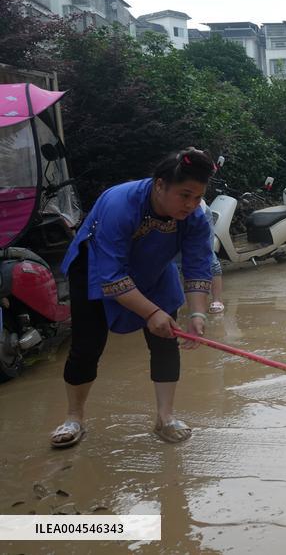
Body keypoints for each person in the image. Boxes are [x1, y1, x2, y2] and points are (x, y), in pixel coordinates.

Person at [49, 148, 216, 449]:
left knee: (166, 340)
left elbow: (197, 266)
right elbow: (111, 276)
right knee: (87, 346)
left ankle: (165, 417)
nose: (191, 205)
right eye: (185, 195)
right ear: (160, 185)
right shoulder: (120, 203)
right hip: (96, 268)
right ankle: (74, 417)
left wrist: (197, 315)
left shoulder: (194, 217)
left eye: (198, 197)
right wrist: (152, 313)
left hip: (154, 268)